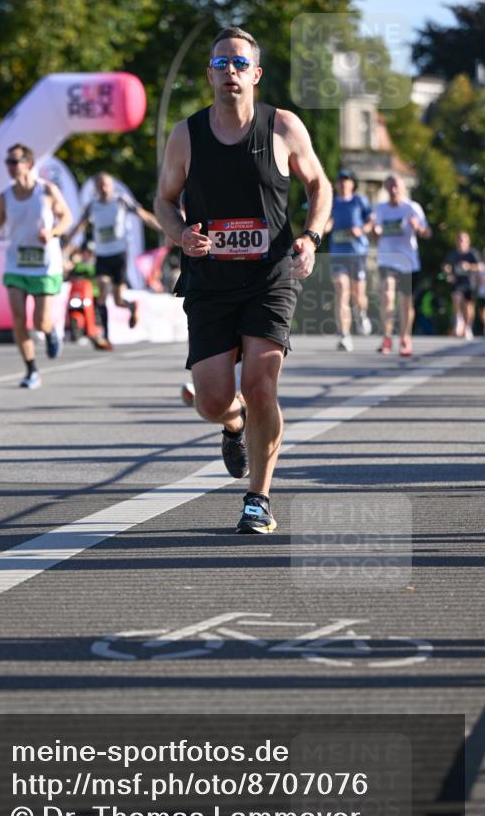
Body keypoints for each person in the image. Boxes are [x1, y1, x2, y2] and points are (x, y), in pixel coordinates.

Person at [154, 26, 332, 534]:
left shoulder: (283, 127)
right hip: (209, 280)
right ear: (209, 74)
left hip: (269, 277)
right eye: (219, 64)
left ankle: (259, 497)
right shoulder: (187, 134)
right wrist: (181, 234)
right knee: (211, 400)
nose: (229, 72)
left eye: (238, 64)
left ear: (255, 74)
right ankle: (232, 425)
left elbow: (319, 184)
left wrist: (311, 237)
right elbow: (164, 201)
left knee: (260, 383)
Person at [0, 143, 73, 387]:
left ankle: (51, 332)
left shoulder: (47, 191)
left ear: (28, 163)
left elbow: (67, 217)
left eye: (14, 161)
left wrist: (52, 233)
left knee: (40, 322)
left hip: (45, 265)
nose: (10, 166)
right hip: (16, 264)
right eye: (7, 162)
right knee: (19, 318)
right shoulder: (5, 196)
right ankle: (31, 370)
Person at [66, 172, 161, 349]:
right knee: (101, 291)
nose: (103, 188)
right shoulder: (92, 205)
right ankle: (105, 336)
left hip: (119, 255)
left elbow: (143, 215)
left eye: (106, 185)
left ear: (111, 186)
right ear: (95, 188)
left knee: (117, 300)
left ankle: (131, 307)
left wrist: (162, 226)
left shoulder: (121, 200)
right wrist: (67, 241)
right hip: (101, 255)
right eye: (100, 185)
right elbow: (80, 224)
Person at [371, 174, 432, 356]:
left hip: (408, 262)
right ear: (386, 189)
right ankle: (387, 337)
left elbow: (427, 232)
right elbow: (373, 234)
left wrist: (418, 227)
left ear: (403, 188)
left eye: (396, 186)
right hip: (386, 259)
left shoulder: (412, 208)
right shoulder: (380, 209)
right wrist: (375, 231)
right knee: (387, 296)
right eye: (390, 186)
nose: (393, 190)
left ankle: (405, 338)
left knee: (406, 303)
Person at [324, 169, 373, 351]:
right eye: (341, 181)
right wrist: (324, 228)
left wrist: (361, 229)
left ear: (352, 184)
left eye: (347, 181)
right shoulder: (332, 203)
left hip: (357, 253)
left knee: (358, 295)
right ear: (337, 184)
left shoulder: (359, 201)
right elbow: (327, 221)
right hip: (338, 253)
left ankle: (361, 313)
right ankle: (344, 335)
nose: (344, 184)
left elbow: (370, 220)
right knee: (341, 290)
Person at [442, 231, 481, 340]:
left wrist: (469, 266)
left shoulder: (472, 253)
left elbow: (480, 266)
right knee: (456, 298)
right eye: (459, 240)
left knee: (469, 306)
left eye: (463, 240)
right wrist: (448, 272)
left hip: (470, 283)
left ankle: (468, 327)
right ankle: (459, 320)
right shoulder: (453, 254)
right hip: (457, 282)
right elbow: (446, 266)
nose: (461, 242)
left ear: (468, 241)